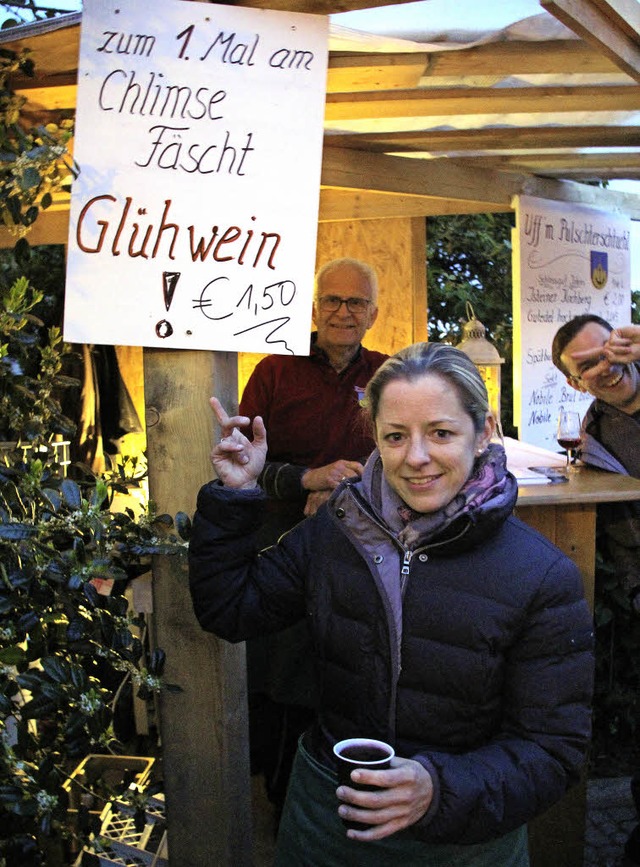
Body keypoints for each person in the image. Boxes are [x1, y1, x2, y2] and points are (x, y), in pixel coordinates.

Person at [189, 342, 594, 867]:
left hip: (463, 839)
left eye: (442, 433)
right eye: (396, 436)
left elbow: (552, 750)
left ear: (484, 432)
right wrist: (237, 495)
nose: (417, 457)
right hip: (326, 819)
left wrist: (438, 788)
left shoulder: (540, 576)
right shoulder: (336, 530)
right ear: (375, 436)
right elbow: (230, 609)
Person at [239, 257, 388, 818]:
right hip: (282, 540)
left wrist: (344, 490)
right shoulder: (274, 371)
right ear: (314, 306)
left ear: (373, 313)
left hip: (362, 543)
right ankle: (284, 803)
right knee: (283, 677)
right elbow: (243, 462)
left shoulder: (388, 375)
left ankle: (344, 798)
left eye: (356, 303)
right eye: (333, 300)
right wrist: (306, 478)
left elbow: (399, 453)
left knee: (348, 671)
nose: (344, 312)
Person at [551, 314, 640, 612]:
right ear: (575, 384)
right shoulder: (595, 441)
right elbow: (624, 534)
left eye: (608, 352)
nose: (607, 367)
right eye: (589, 366)